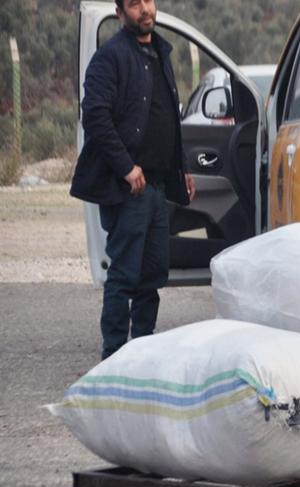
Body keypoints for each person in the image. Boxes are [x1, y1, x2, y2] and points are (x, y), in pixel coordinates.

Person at [70, 0, 195, 360]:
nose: (145, 9)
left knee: (153, 274)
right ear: (120, 12)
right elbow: (94, 116)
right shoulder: (110, 58)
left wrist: (182, 167)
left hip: (157, 186)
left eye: (148, 2)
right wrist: (126, 166)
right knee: (124, 275)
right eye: (134, 4)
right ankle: (113, 356)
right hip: (128, 188)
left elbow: (170, 116)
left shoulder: (160, 52)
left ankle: (142, 352)